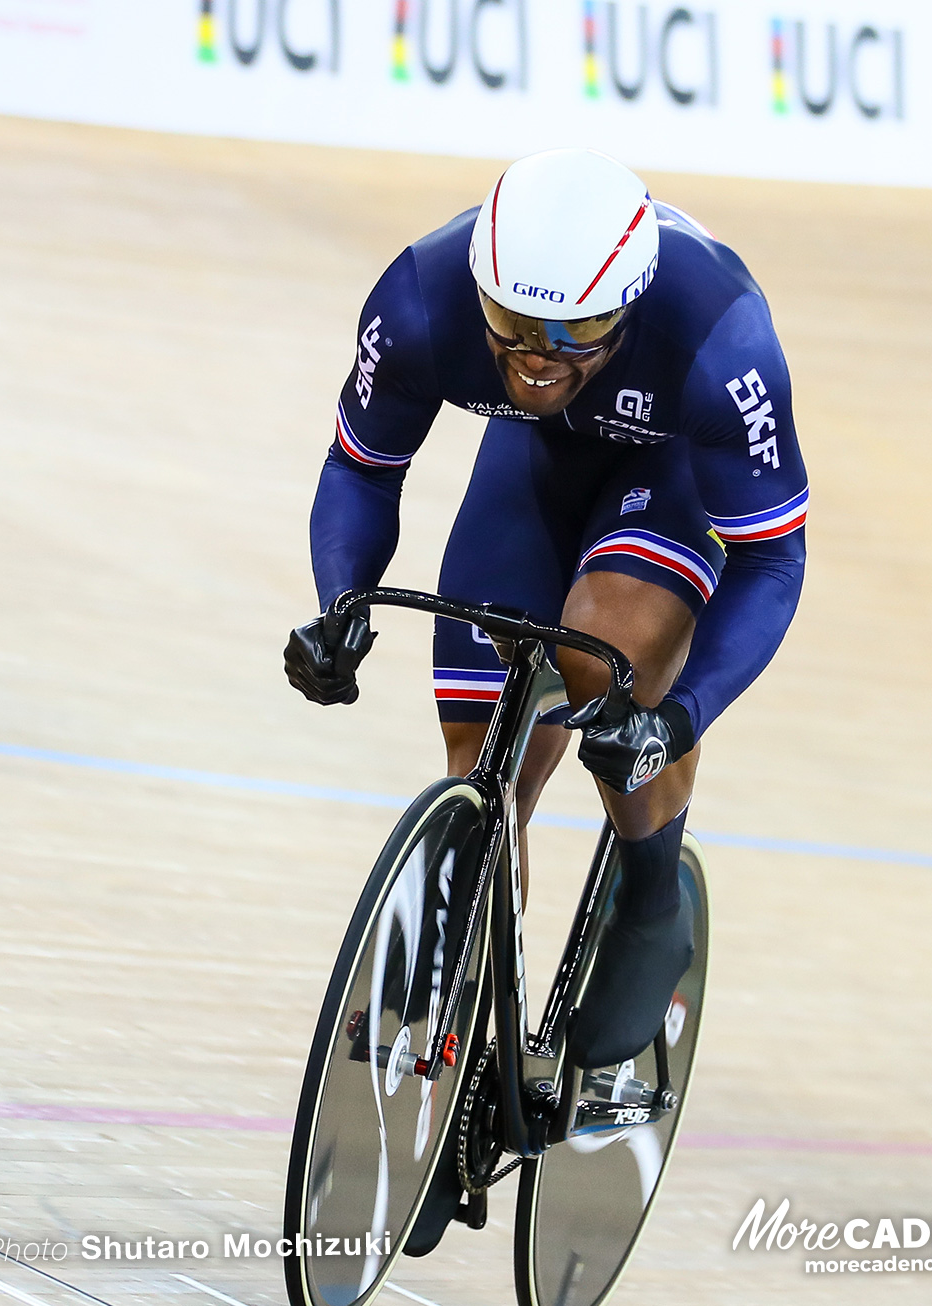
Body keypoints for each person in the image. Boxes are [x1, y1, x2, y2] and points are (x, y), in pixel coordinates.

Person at [283, 148, 808, 1073]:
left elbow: (772, 561)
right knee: (482, 755)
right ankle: (470, 1033)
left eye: (574, 334)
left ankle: (650, 901)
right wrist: (340, 605)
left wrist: (676, 720)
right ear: (479, 286)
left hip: (669, 463)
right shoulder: (420, 302)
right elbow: (361, 467)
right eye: (513, 326)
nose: (537, 360)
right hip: (535, 462)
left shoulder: (721, 347)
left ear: (632, 302)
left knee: (605, 669)